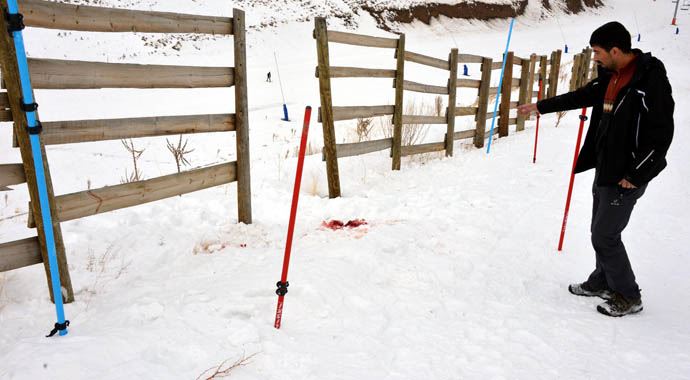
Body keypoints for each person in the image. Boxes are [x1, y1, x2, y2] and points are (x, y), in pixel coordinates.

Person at [518, 22, 674, 317]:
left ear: (615, 50)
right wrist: (541, 106)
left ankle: (628, 295)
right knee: (598, 229)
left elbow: (661, 135)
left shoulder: (649, 81)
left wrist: (636, 174)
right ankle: (602, 280)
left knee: (605, 235)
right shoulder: (609, 75)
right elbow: (581, 96)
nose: (595, 58)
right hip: (606, 166)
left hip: (627, 174)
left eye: (598, 52)